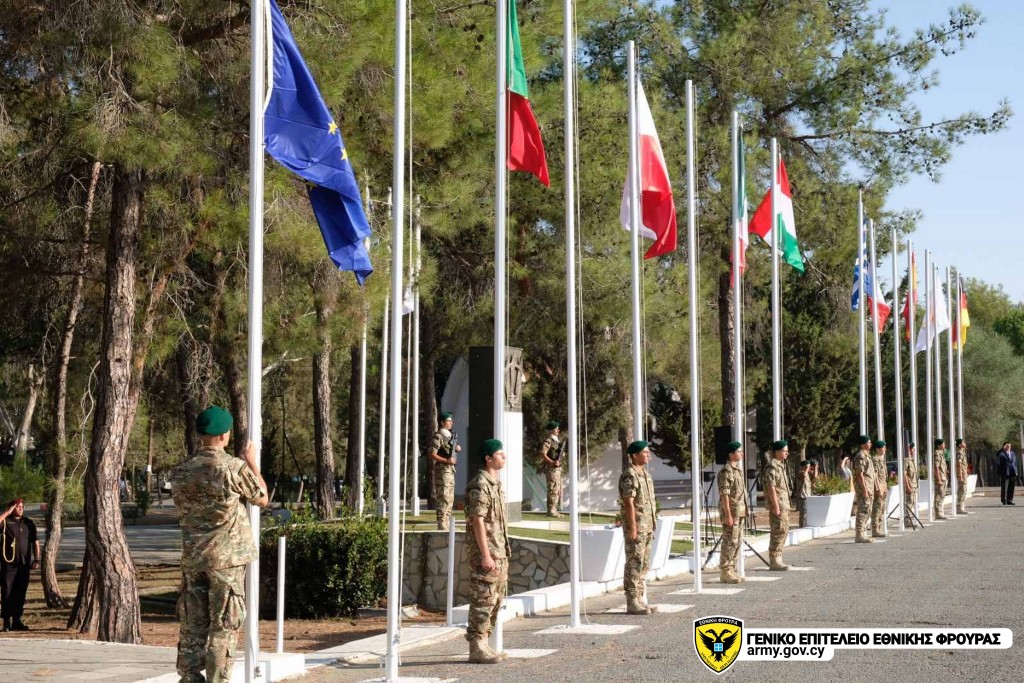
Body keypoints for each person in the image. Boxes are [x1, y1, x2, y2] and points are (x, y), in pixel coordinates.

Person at [171, 406, 268, 683]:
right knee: (223, 626)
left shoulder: (180, 470)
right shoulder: (232, 468)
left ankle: (189, 678)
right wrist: (252, 462)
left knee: (192, 626)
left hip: (194, 559)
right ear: (225, 435)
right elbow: (261, 497)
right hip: (226, 561)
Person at [464, 438, 511, 664]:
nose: (504, 457)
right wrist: (485, 554)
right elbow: (477, 521)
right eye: (500, 454)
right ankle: (476, 647)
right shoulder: (480, 485)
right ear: (488, 458)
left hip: (499, 552)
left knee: (495, 600)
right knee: (483, 600)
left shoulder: (496, 484)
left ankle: (484, 643)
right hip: (487, 554)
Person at [619, 440, 659, 613]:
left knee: (643, 565)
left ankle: (640, 599)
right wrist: (633, 527)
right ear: (635, 455)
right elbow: (629, 503)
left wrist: (652, 523)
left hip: (647, 526)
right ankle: (632, 601)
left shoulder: (645, 474)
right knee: (634, 563)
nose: (648, 455)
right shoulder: (629, 475)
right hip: (637, 526)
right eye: (645, 452)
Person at [0, 498, 39, 631]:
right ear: (12, 508)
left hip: (24, 564)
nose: (21, 508)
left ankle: (17, 620)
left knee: (20, 592)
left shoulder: (28, 523)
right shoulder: (6, 521)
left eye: (22, 506)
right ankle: (6, 621)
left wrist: (36, 559)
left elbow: (35, 542)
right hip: (8, 564)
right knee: (7, 591)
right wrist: (7, 512)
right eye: (18, 506)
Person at [716, 441, 746, 584]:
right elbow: (724, 494)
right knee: (729, 541)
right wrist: (728, 514)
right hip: (732, 512)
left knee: (737, 541)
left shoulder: (737, 470)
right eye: (739, 451)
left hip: (739, 511)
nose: (742, 454)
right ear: (731, 454)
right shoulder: (726, 472)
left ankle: (732, 569)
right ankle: (725, 570)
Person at [428, 411, 461, 530]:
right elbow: (432, 454)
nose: (451, 423)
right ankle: (442, 522)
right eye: (448, 421)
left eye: (451, 421)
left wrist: (457, 448)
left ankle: (447, 521)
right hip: (442, 471)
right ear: (442, 422)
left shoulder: (450, 436)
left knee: (450, 498)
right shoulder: (439, 436)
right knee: (444, 497)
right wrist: (446, 460)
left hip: (450, 470)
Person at [763, 440, 792, 569]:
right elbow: (771, 487)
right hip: (779, 505)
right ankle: (774, 560)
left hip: (784, 504)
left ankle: (778, 557)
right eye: (785, 451)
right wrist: (775, 506)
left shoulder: (780, 466)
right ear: (777, 452)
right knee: (778, 531)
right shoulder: (772, 467)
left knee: (783, 530)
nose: (787, 453)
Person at [851, 435, 876, 543]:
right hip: (863, 488)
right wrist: (864, 490)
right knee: (863, 511)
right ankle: (859, 535)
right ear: (863, 444)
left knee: (868, 510)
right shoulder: (860, 456)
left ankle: (863, 533)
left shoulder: (867, 456)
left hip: (869, 487)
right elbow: (859, 474)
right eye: (868, 442)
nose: (870, 444)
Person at [538, 420, 564, 517]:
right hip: (551, 469)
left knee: (557, 489)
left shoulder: (556, 441)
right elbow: (542, 453)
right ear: (551, 430)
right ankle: (551, 510)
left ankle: (554, 509)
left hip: (557, 469)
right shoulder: (549, 440)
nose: (558, 430)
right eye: (556, 428)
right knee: (553, 489)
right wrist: (552, 462)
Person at [871, 440, 889, 538]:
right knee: (877, 509)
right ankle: (875, 529)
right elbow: (875, 475)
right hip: (879, 487)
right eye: (883, 447)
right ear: (878, 449)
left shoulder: (882, 459)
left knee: (882, 508)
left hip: (883, 486)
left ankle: (879, 527)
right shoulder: (875, 459)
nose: (885, 449)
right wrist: (878, 489)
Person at [903, 442, 919, 527]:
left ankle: (909, 519)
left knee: (912, 503)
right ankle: (907, 520)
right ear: (909, 449)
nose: (914, 450)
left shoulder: (911, 460)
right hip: (909, 486)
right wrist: (908, 486)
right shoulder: (906, 460)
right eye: (913, 449)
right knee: (909, 503)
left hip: (913, 486)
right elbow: (904, 475)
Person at [996, 441, 1017, 506]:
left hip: (1012, 472)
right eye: (1007, 446)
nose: (1009, 447)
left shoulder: (1012, 453)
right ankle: (1004, 500)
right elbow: (997, 454)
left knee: (1011, 487)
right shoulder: (1002, 453)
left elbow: (1015, 462)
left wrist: (1016, 470)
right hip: (1005, 472)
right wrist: (1002, 449)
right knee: (1004, 487)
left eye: (1009, 446)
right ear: (1004, 446)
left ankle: (1009, 500)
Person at [933, 438, 949, 519]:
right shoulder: (937, 454)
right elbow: (936, 467)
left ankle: (939, 511)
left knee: (942, 494)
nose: (944, 445)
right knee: (939, 495)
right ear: (939, 445)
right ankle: (938, 513)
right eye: (943, 444)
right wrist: (938, 479)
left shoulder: (941, 453)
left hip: (943, 477)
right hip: (940, 478)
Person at [793, 460, 812, 528]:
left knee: (806, 514)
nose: (809, 468)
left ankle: (805, 526)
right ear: (804, 467)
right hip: (802, 497)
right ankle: (802, 527)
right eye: (808, 466)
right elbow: (804, 475)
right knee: (803, 514)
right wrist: (806, 468)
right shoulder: (800, 473)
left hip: (807, 497)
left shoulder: (807, 474)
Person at [955, 439, 970, 514]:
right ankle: (959, 507)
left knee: (964, 490)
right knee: (962, 490)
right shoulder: (960, 453)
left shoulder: (963, 452)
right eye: (963, 442)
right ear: (960, 445)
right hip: (962, 475)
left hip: (964, 474)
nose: (965, 443)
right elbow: (959, 465)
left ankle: (960, 506)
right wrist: (960, 475)